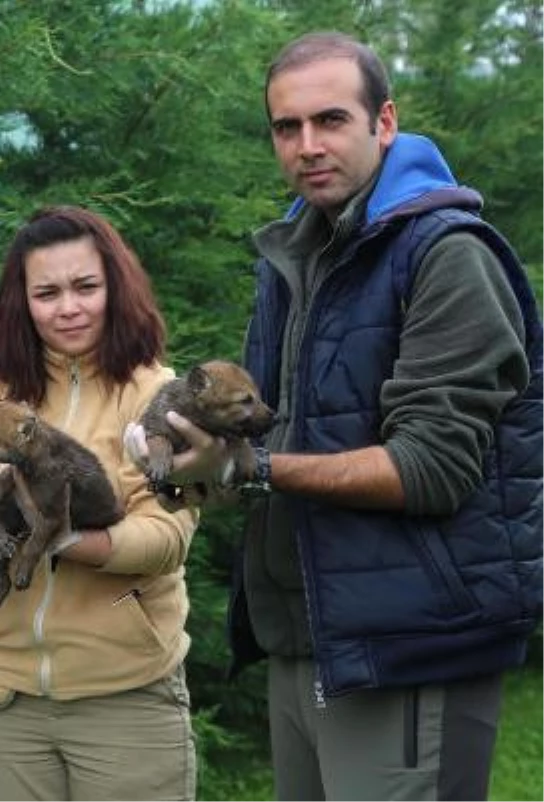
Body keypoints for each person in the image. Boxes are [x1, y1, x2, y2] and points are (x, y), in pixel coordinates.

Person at [125, 31, 544, 802]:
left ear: (384, 122)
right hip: (309, 633)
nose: (307, 146)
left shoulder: (448, 255)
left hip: (415, 642)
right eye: (287, 128)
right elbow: (273, 433)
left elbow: (432, 467)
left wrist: (248, 469)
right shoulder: (294, 258)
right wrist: (193, 457)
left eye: (331, 121)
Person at [0, 205, 199, 801]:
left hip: (124, 698)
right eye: (46, 292)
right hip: (7, 700)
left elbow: (166, 539)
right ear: (21, 303)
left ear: (116, 287)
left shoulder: (157, 393)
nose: (68, 307)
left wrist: (56, 535)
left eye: (86, 287)